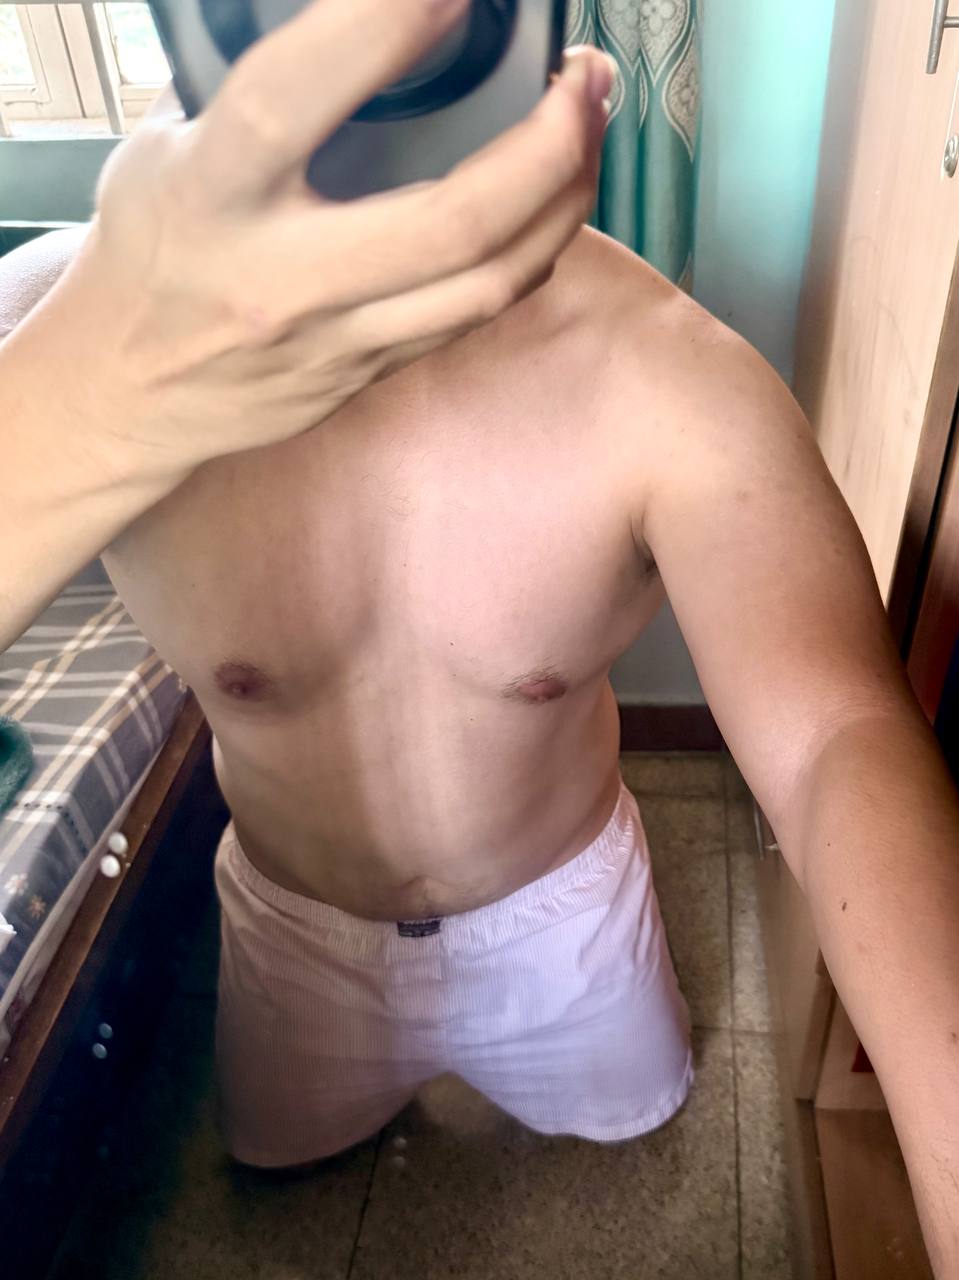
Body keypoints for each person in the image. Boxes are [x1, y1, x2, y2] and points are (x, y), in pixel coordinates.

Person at [3, 6, 959, 1277]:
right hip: (294, 937)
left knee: (641, 1121)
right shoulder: (50, 338)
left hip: (562, 926)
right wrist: (81, 417)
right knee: (277, 1160)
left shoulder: (664, 369)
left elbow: (839, 729)